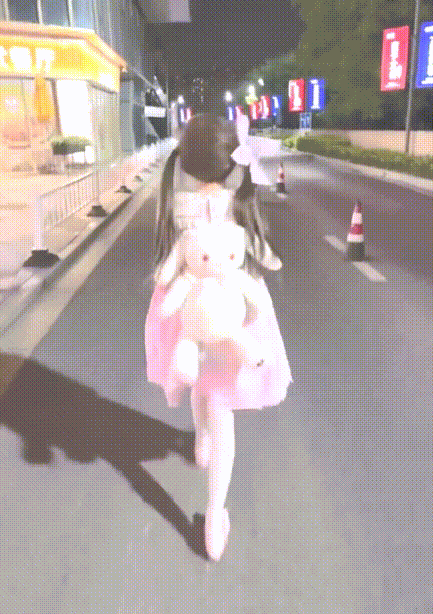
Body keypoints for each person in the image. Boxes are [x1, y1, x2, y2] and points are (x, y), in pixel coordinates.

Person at [145, 112, 292, 561]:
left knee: (198, 378)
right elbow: (264, 254)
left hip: (187, 308)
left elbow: (167, 262)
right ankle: (213, 517)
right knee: (221, 402)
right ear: (233, 164)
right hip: (233, 312)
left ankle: (201, 441)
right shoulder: (239, 201)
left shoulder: (175, 199)